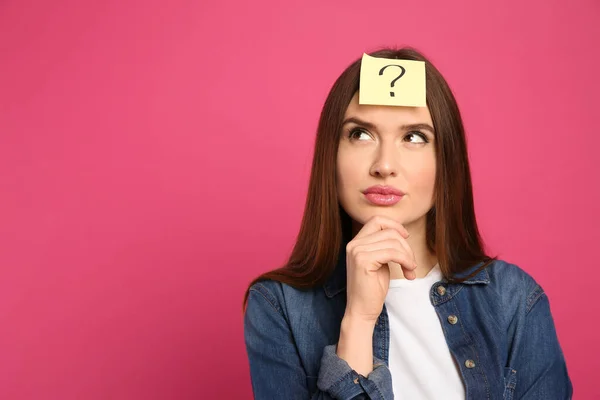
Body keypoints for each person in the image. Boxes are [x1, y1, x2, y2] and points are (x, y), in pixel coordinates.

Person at [242, 47, 573, 400]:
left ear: (447, 159)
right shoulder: (278, 307)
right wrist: (357, 322)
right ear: (330, 154)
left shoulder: (514, 300)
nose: (385, 165)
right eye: (360, 134)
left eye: (414, 137)